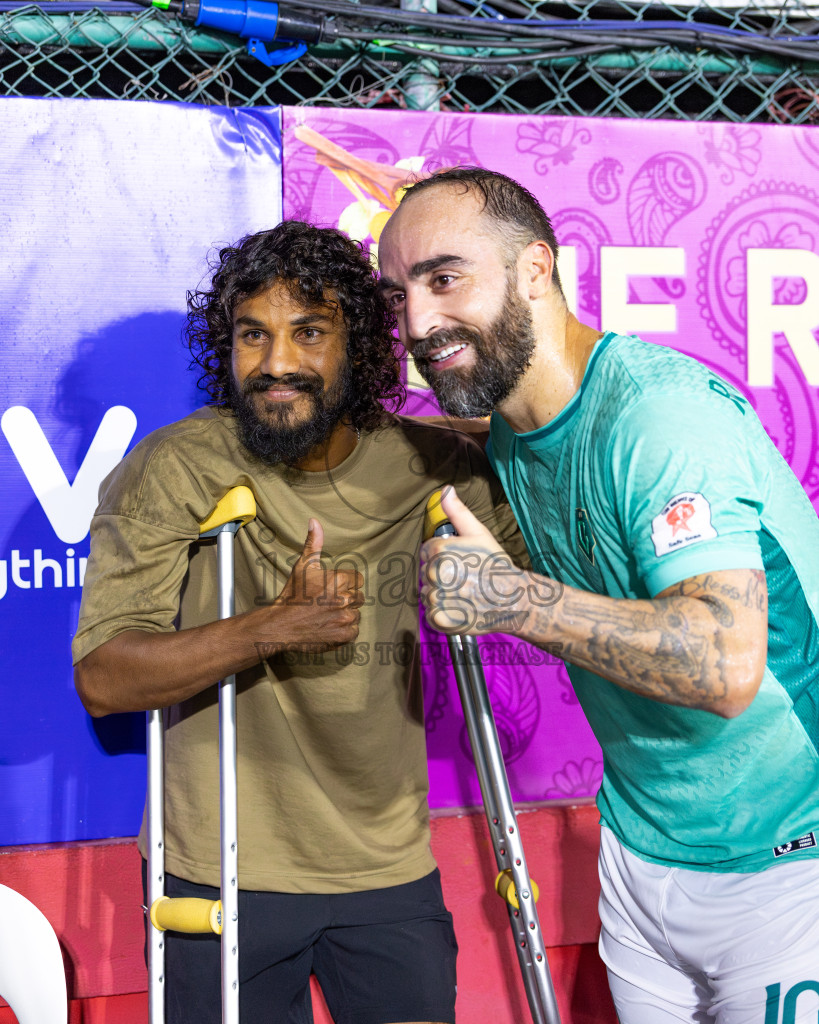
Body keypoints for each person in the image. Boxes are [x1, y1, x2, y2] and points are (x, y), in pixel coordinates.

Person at [377, 168, 819, 1023]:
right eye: (398, 295)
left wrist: (509, 602)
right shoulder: (516, 417)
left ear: (535, 270)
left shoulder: (659, 419)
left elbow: (723, 665)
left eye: (443, 278)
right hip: (640, 853)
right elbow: (463, 431)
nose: (418, 323)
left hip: (788, 862)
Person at [72, 220, 524, 1024]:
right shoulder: (175, 466)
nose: (276, 362)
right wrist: (271, 627)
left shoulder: (431, 462)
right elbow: (104, 678)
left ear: (359, 349)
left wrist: (516, 437)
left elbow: (542, 587)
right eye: (252, 335)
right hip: (220, 865)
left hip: (385, 866)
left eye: (308, 332)